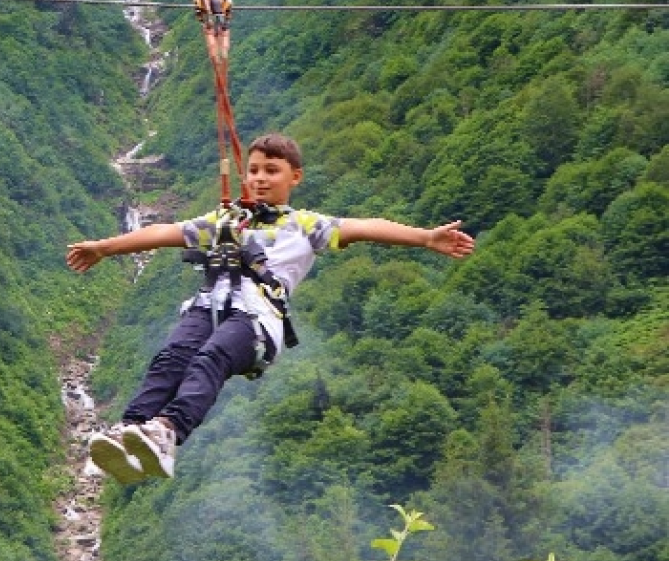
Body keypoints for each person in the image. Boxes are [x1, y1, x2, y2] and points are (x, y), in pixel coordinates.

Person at [65, 133, 476, 483]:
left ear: (294, 177)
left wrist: (424, 238)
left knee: (210, 358)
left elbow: (366, 227)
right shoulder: (227, 221)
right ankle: (132, 427)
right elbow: (163, 233)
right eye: (255, 170)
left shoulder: (305, 225)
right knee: (171, 358)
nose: (260, 179)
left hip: (257, 319)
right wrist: (104, 248)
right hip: (211, 305)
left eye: (271, 171)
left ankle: (169, 430)